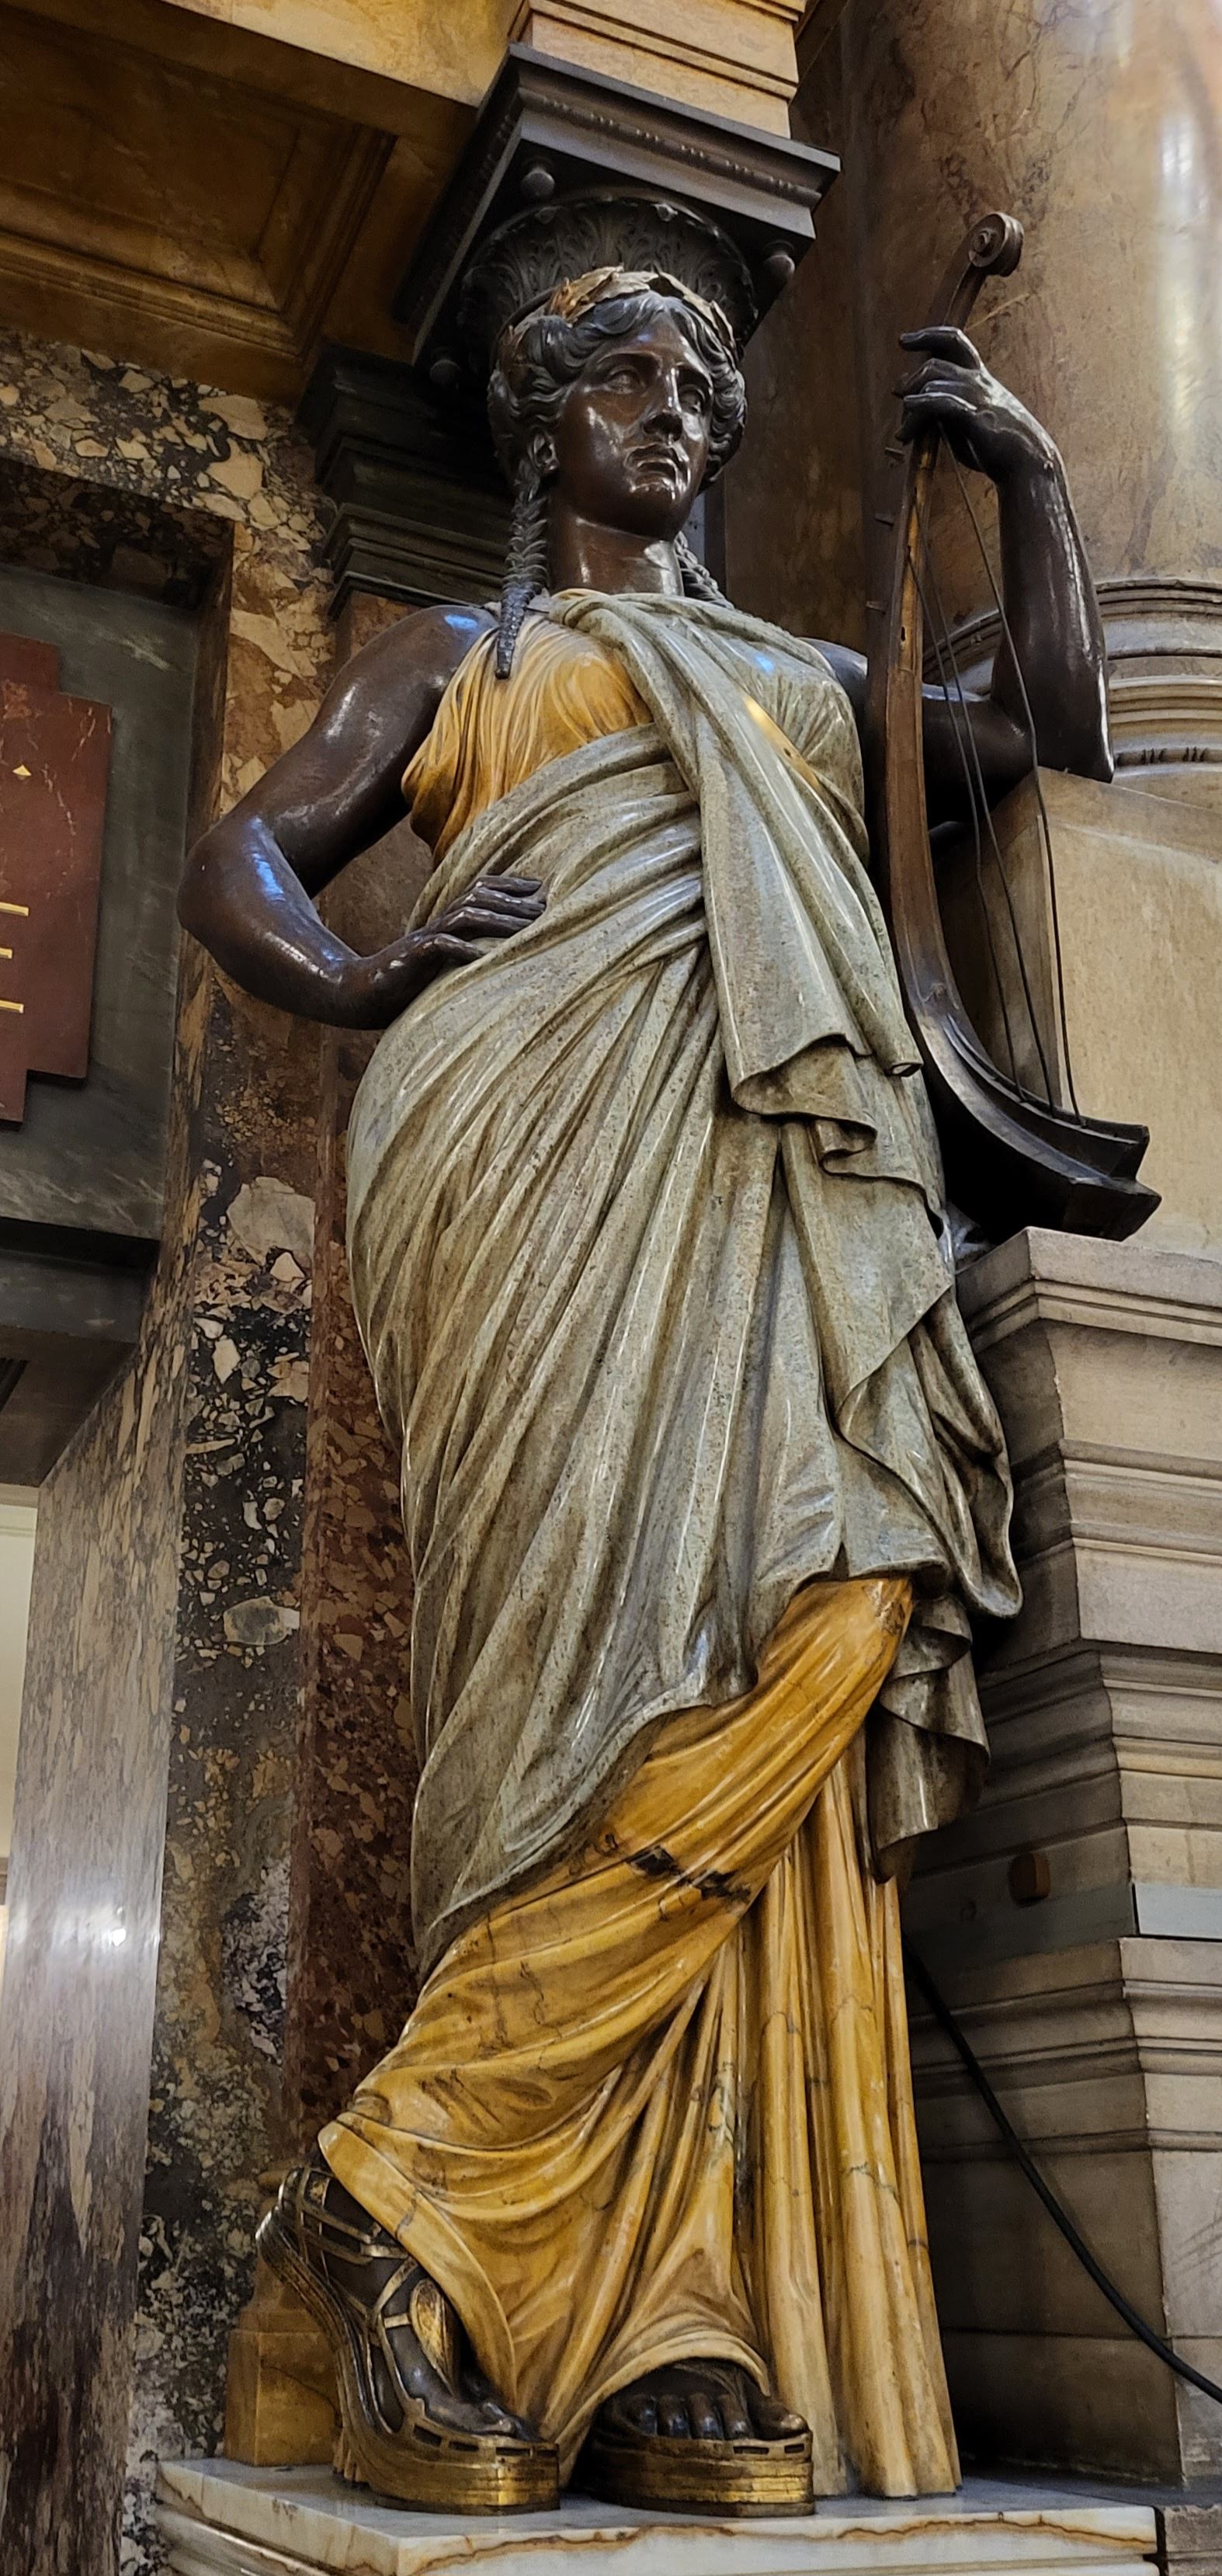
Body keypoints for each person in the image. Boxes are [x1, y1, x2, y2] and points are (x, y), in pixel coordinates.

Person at [179, 258, 1111, 2515]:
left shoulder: (804, 677)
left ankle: (508, 2226)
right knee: (569, 1676)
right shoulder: (463, 652)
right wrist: (367, 971)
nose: (674, 408)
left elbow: (1049, 725)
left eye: (705, 383)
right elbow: (237, 857)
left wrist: (1028, 478)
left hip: (773, 1183)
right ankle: (535, 2272)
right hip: (519, 1146)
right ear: (545, 423)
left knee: (834, 1612)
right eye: (626, 375)